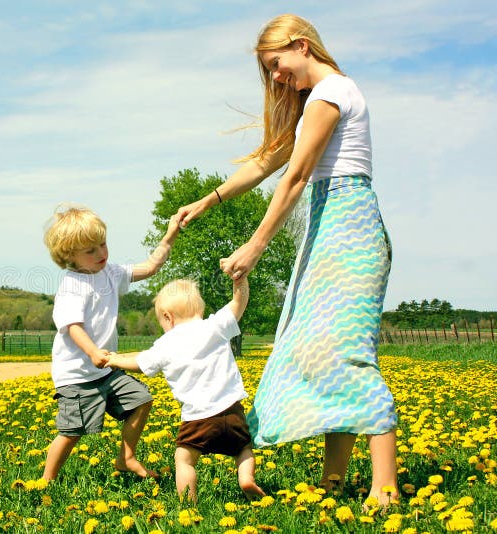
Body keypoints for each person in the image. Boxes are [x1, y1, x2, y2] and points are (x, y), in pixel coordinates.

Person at [174, 14, 398, 507]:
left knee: (345, 355)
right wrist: (207, 201)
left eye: (277, 65)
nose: (276, 78)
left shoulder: (331, 93)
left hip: (350, 228)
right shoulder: (314, 103)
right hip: (331, 226)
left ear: (302, 45)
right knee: (321, 354)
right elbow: (263, 163)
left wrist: (254, 248)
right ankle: (333, 484)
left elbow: (295, 178)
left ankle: (386, 490)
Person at [41, 204, 180, 480]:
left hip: (106, 370)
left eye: (103, 244)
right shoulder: (72, 285)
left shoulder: (110, 273)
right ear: (69, 255)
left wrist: (170, 235)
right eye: (90, 250)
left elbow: (151, 267)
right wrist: (92, 351)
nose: (101, 253)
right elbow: (72, 327)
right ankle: (46, 481)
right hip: (78, 376)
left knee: (141, 400)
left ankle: (126, 458)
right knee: (71, 432)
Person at [107, 277, 265, 503]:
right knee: (243, 449)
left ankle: (188, 504)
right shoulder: (215, 326)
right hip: (233, 413)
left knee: (184, 460)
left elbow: (141, 364)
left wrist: (116, 360)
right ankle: (246, 478)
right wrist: (240, 278)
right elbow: (239, 301)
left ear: (168, 317)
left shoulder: (166, 343)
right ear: (199, 309)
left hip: (197, 419)